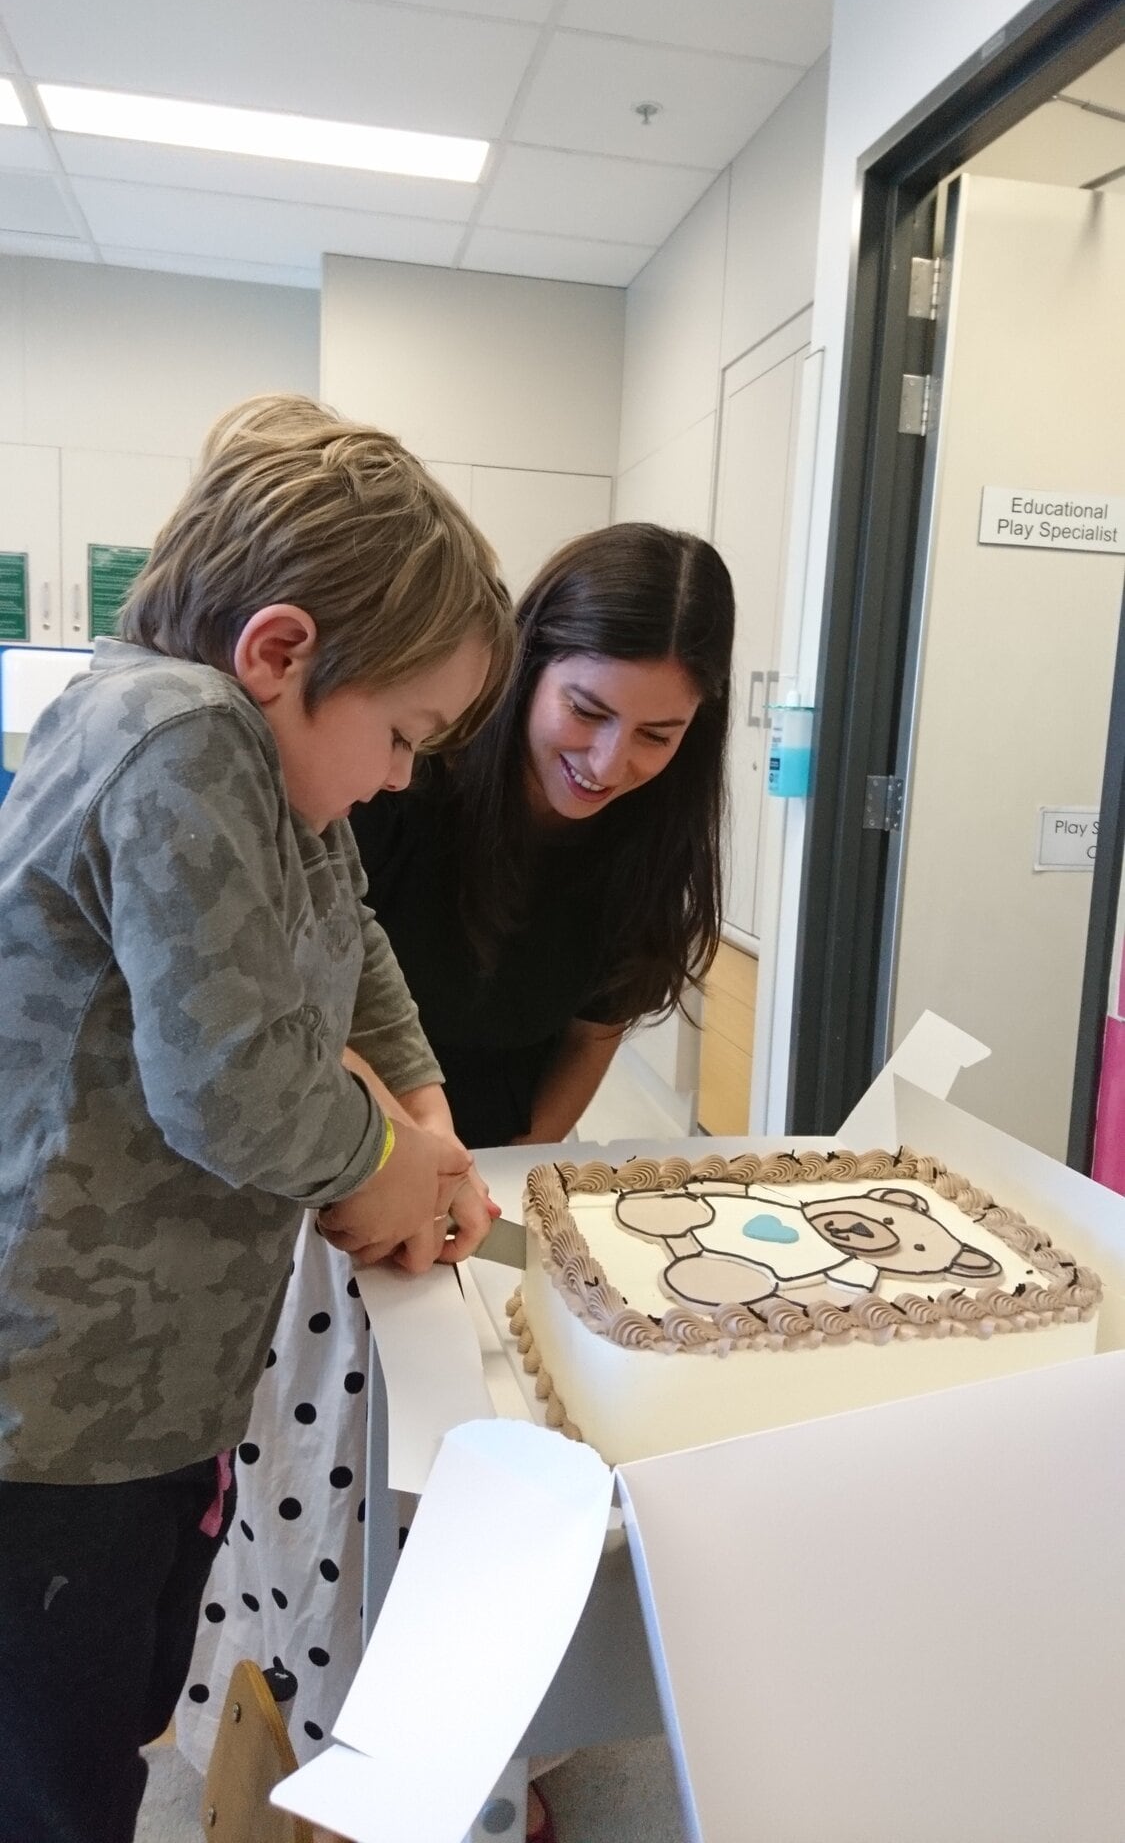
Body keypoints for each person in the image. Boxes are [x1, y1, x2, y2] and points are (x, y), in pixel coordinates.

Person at [0, 392, 514, 1843]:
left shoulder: (284, 782)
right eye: (404, 733)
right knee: (59, 1767)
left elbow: (360, 958)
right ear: (280, 653)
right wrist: (386, 1170)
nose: (402, 775)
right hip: (49, 1408)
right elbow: (228, 1087)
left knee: (121, 1706)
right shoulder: (177, 729)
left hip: (154, 1392)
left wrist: (428, 1123)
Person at [178, 522, 735, 1830]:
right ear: (525, 668)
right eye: (586, 712)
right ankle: (339, 1746)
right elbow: (303, 1007)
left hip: (474, 1180)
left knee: (487, 1490)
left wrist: (502, 1175)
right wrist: (396, 1162)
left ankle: (486, 1758)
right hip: (338, 1166)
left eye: (657, 736)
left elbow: (596, 1020)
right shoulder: (403, 782)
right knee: (346, 1492)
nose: (610, 762)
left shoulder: (644, 839)